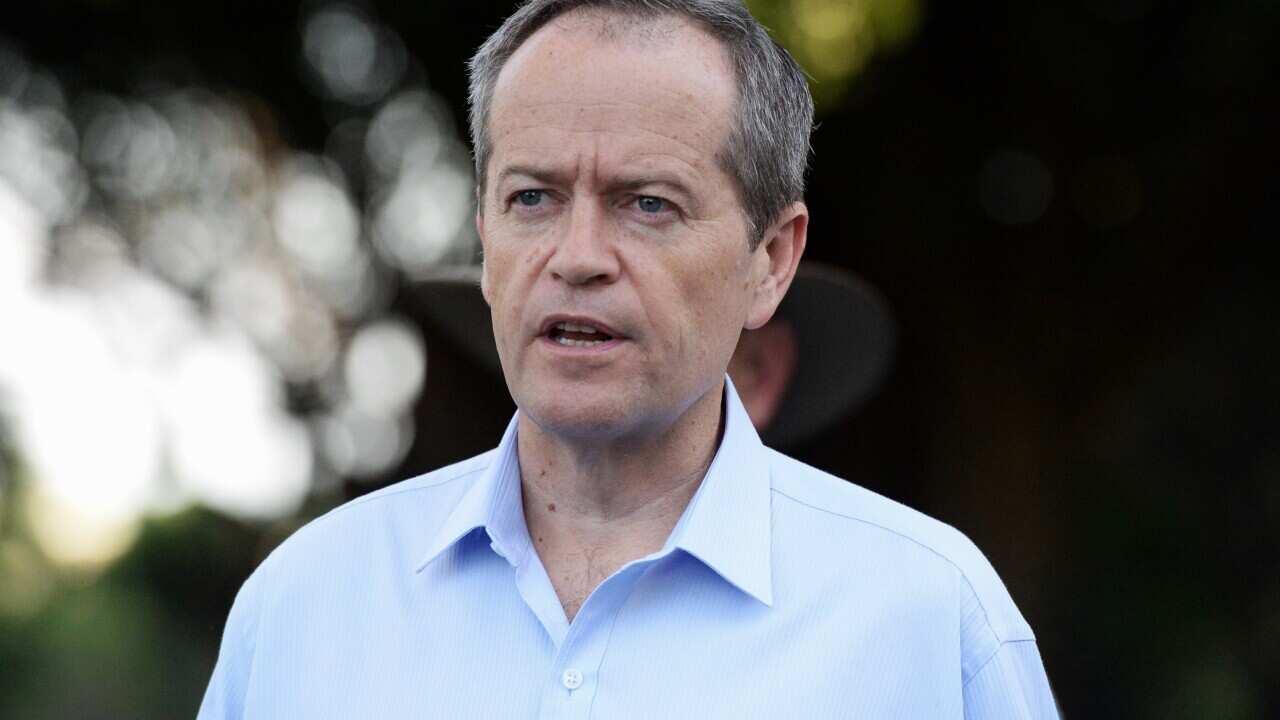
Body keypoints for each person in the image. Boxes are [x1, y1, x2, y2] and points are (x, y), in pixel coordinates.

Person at [199, 1, 1059, 717]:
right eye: (532, 198)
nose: (578, 255)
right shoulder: (304, 607)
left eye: (647, 204)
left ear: (772, 260)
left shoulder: (931, 622)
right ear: (484, 237)